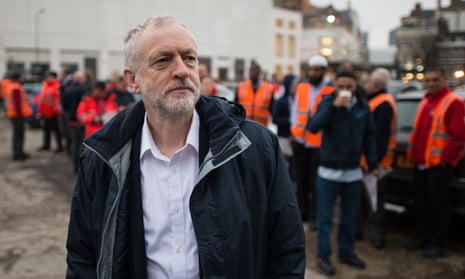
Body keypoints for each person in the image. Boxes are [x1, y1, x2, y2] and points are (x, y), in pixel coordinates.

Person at [66, 15, 305, 278]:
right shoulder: (101, 157)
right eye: (163, 60)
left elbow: (287, 250)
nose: (182, 70)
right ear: (132, 79)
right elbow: (82, 256)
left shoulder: (256, 148)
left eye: (189, 58)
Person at [307, 71, 378, 276]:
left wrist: (372, 163)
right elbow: (313, 126)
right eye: (341, 86)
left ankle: (346, 252)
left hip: (352, 172)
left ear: (356, 86)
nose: (345, 90)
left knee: (349, 216)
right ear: (335, 86)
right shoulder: (328, 102)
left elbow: (370, 136)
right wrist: (332, 107)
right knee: (325, 217)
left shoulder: (362, 106)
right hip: (328, 171)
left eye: (349, 86)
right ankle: (323, 255)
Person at [406, 67, 465, 257]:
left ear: (444, 80)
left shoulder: (453, 102)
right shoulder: (425, 101)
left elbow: (458, 136)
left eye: (435, 80)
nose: (430, 84)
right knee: (421, 203)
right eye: (428, 80)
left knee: (439, 206)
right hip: (420, 162)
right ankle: (423, 237)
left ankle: (437, 243)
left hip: (438, 165)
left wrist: (445, 160)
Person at [290, 55, 333, 228]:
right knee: (301, 179)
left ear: (323, 71)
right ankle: (302, 213)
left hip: (319, 143)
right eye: (311, 69)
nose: (313, 73)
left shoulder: (331, 89)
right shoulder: (302, 87)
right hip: (300, 140)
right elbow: (295, 110)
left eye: (316, 70)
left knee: (316, 182)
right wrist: (294, 131)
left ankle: (315, 215)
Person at [358, 67, 397, 249]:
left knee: (375, 202)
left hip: (376, 165)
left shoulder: (383, 104)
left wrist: (371, 163)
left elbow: (379, 138)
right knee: (366, 200)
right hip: (369, 162)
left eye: (368, 82)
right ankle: (363, 232)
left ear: (375, 84)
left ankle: (377, 237)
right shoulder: (376, 101)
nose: (366, 85)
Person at [272, 73, 297, 181]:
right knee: (284, 168)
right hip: (284, 138)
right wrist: (292, 122)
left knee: (295, 168)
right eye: (294, 85)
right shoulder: (281, 101)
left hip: (296, 139)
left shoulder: (298, 100)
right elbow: (275, 119)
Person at [4, 71, 32, 161]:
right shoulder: (15, 87)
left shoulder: (9, 86)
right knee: (19, 135)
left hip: (13, 114)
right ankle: (18, 154)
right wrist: (21, 115)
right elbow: (17, 104)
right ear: (18, 78)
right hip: (17, 115)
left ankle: (18, 152)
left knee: (17, 134)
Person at [236, 61, 274, 127]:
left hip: (261, 126)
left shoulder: (268, 89)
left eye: (254, 71)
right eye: (250, 71)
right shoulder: (242, 86)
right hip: (244, 126)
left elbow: (272, 108)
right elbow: (235, 106)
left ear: (259, 73)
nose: (251, 73)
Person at [37, 71, 64, 152]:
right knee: (46, 130)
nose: (47, 78)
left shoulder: (57, 86)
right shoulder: (45, 86)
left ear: (53, 77)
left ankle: (59, 147)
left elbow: (57, 101)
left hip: (53, 113)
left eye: (49, 77)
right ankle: (46, 145)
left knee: (56, 130)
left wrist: (56, 112)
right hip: (45, 112)